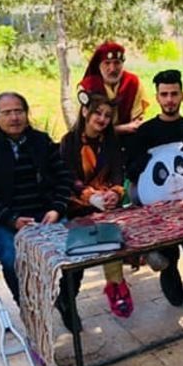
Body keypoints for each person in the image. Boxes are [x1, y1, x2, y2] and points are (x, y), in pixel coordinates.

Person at [0, 92, 72, 306]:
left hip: (46, 216)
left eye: (19, 111)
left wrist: (56, 209)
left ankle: (65, 303)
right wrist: (11, 219)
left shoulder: (41, 141)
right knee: (13, 261)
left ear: (26, 114)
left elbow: (64, 178)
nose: (14, 117)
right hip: (6, 223)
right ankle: (29, 307)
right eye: (7, 113)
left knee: (71, 255)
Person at [125, 68, 183, 305]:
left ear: (182, 95)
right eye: (165, 94)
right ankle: (169, 273)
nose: (170, 99)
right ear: (157, 97)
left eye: (174, 94)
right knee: (169, 253)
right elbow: (131, 171)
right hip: (158, 209)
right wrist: (150, 162)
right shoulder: (144, 133)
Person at [60, 90, 134, 319]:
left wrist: (115, 192)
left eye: (107, 115)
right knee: (82, 251)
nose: (102, 119)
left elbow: (118, 172)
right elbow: (68, 178)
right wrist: (89, 196)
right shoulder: (69, 142)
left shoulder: (111, 141)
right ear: (85, 112)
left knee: (115, 238)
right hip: (78, 204)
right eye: (97, 113)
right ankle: (67, 300)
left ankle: (115, 285)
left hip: (107, 203)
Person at [78, 41, 148, 136]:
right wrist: (120, 129)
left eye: (117, 63)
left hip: (128, 139)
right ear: (99, 66)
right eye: (107, 63)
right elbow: (87, 126)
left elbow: (137, 122)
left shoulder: (133, 82)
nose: (112, 69)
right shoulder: (88, 86)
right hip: (96, 140)